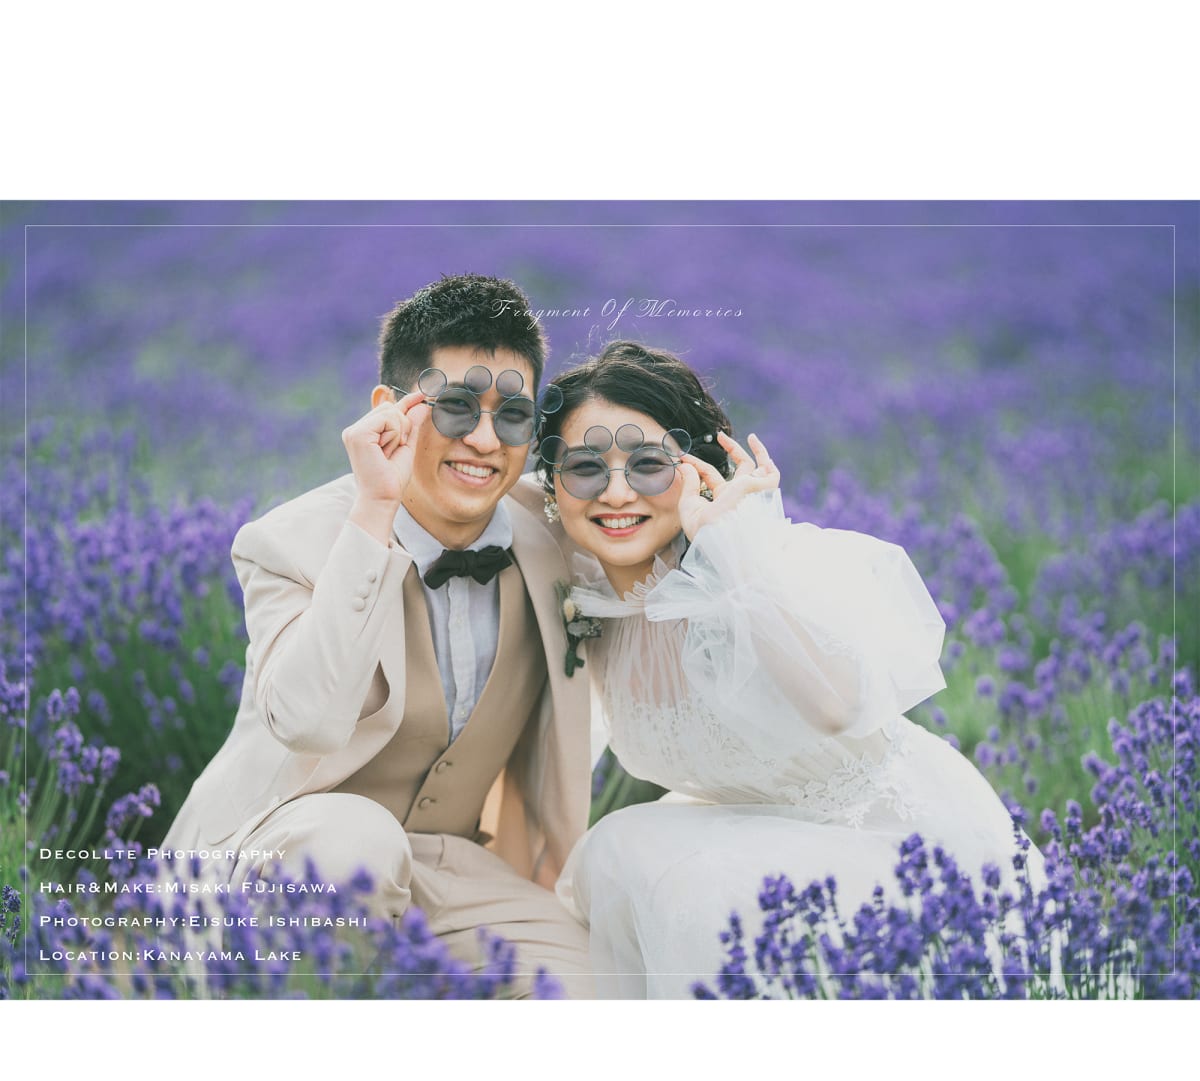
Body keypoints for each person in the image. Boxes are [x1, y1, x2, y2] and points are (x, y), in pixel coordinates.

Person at [534, 340, 1043, 999]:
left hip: (893, 850)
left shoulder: (745, 574)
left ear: (698, 471)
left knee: (673, 875)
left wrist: (729, 551)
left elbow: (836, 707)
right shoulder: (582, 596)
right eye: (584, 468)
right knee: (618, 851)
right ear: (553, 483)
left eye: (650, 465)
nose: (616, 492)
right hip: (749, 840)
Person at [161, 274, 595, 998]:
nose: (485, 440)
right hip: (282, 857)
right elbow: (308, 722)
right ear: (389, 409)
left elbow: (649, 532)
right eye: (455, 407)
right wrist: (374, 510)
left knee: (588, 990)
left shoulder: (553, 536)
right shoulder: (287, 542)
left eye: (513, 416)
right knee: (354, 850)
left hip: (450, 867)